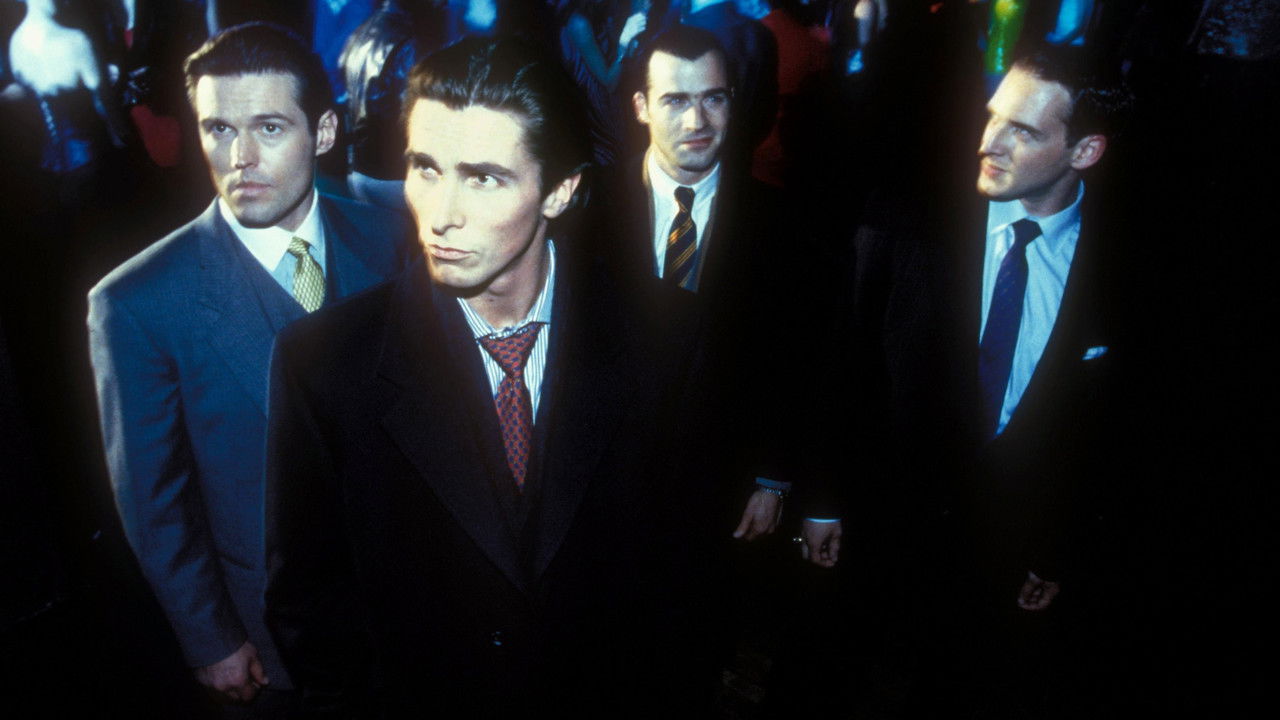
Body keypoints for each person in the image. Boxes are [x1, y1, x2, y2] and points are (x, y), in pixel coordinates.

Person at [264, 36, 723, 715]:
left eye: (483, 178)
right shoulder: (324, 364)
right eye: (425, 168)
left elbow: (686, 578)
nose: (441, 214)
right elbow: (311, 613)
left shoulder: (666, 337)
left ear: (561, 190)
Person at [87, 22, 410, 716]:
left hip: (408, 609)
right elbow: (153, 501)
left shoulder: (389, 237)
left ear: (323, 132)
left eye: (268, 128)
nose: (240, 158)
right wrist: (209, 639)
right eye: (218, 129)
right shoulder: (138, 302)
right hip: (266, 644)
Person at [818, 44, 1136, 714]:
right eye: (993, 116)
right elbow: (841, 369)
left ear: (1085, 151)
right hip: (875, 540)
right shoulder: (903, 223)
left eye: (1023, 131)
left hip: (998, 565)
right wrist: (823, 501)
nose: (989, 142)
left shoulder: (1126, 269)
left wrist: (1056, 552)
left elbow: (1108, 435)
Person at [609, 24, 817, 543]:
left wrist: (773, 481)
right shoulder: (585, 208)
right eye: (676, 100)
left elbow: (800, 362)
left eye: (713, 98)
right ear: (641, 107)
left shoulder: (785, 224)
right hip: (603, 491)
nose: (697, 121)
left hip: (725, 500)